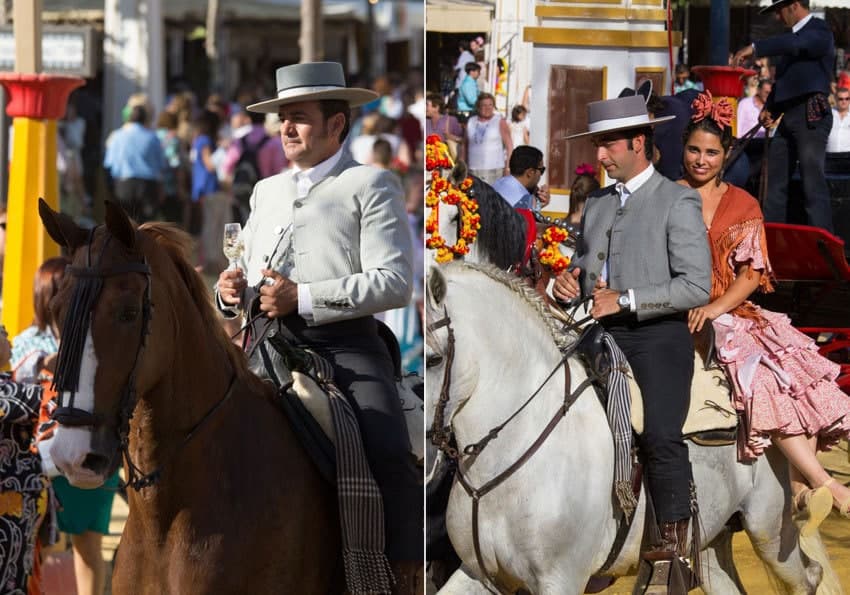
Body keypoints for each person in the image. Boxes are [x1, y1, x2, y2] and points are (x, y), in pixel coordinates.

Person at [214, 61, 420, 593]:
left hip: (345, 346)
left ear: (337, 125)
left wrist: (301, 297)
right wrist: (227, 291)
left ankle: (400, 572)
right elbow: (247, 272)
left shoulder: (372, 183)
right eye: (283, 117)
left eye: (300, 118)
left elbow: (395, 281)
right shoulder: (265, 190)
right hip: (263, 343)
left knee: (388, 446)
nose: (286, 128)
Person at [552, 95, 711, 580]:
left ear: (638, 143)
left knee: (661, 433)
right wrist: (568, 281)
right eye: (597, 145)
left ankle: (673, 541)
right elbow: (586, 270)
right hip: (594, 332)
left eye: (607, 145)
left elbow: (696, 285)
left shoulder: (678, 200)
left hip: (656, 337)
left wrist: (625, 300)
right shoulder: (598, 203)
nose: (599, 156)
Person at [678, 91, 850, 530]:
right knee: (763, 378)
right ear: (683, 148)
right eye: (694, 149)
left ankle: (798, 487)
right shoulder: (666, 196)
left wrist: (717, 308)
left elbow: (751, 275)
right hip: (681, 308)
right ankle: (824, 485)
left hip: (731, 310)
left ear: (726, 154)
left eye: (711, 152)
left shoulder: (744, 203)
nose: (701, 159)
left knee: (795, 374)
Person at [732, 0, 835, 232]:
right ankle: (771, 244)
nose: (778, 16)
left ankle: (822, 250)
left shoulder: (819, 30)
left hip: (811, 115)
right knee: (774, 185)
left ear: (794, 4)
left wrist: (755, 47)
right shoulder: (791, 42)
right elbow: (787, 82)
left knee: (812, 185)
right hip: (789, 117)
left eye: (779, 9)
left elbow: (797, 44)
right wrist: (771, 108)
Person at [0, 328, 48, 594]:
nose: (6, 332)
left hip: (20, 505)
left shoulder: (14, 383)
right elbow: (44, 401)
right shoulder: (11, 391)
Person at [103, 104, 166, 223]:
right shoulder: (153, 137)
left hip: (123, 185)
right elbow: (161, 166)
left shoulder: (116, 136)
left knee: (125, 226)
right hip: (147, 187)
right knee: (146, 227)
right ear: (145, 119)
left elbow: (108, 165)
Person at [464, 93, 512, 185]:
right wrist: (463, 165)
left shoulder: (499, 121)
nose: (488, 108)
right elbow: (464, 145)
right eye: (484, 105)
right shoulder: (471, 121)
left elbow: (509, 146)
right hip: (473, 170)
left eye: (490, 105)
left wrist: (508, 167)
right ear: (478, 107)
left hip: (494, 170)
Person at [492, 145, 550, 210]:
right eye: (542, 170)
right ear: (530, 172)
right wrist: (537, 204)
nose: (540, 175)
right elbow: (527, 217)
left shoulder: (498, 183)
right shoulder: (524, 201)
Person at [425, 93, 462, 160]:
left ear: (436, 107)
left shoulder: (451, 120)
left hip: (445, 163)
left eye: (427, 105)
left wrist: (452, 137)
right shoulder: (425, 122)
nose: (424, 108)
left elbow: (463, 141)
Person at [827, 87, 850, 154]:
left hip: (848, 156)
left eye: (847, 99)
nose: (844, 101)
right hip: (830, 155)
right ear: (836, 99)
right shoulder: (829, 114)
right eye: (841, 99)